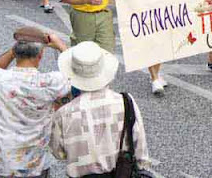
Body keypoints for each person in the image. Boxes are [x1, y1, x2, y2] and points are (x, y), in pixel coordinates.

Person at [51, 41, 151, 177]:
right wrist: (142, 168)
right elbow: (139, 143)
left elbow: (59, 153)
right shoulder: (125, 102)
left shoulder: (64, 113)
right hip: (119, 173)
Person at [0, 28, 69, 178]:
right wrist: (60, 45)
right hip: (36, 163)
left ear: (16, 53)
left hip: (3, 161)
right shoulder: (50, 82)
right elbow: (77, 73)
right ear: (40, 55)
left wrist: (15, 49)